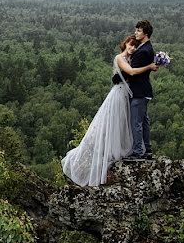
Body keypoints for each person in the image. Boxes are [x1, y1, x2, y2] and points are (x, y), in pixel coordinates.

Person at [61, 35, 158, 186]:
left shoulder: (132, 59)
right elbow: (131, 72)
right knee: (114, 122)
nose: (132, 48)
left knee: (125, 123)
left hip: (128, 95)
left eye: (134, 46)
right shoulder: (120, 58)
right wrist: (150, 66)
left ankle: (123, 149)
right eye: (130, 45)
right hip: (119, 95)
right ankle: (108, 152)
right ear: (124, 44)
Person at [124, 20, 155, 161]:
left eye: (138, 30)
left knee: (136, 122)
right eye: (136, 30)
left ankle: (138, 152)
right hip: (144, 91)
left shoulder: (144, 50)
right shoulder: (145, 47)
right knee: (143, 121)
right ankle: (147, 149)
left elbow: (132, 72)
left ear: (146, 33)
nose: (135, 32)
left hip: (139, 91)